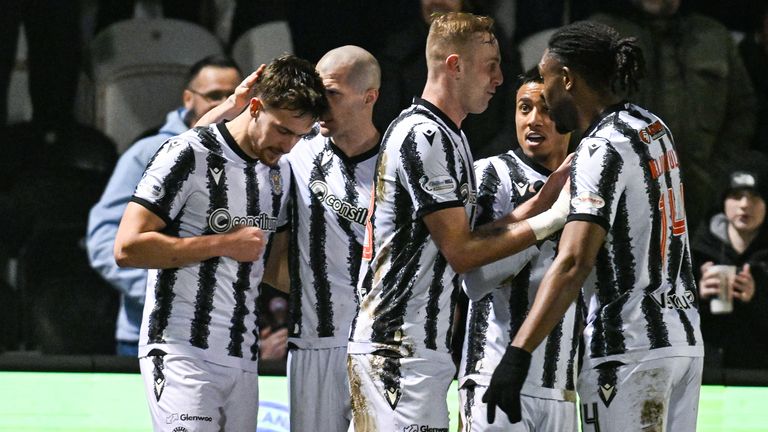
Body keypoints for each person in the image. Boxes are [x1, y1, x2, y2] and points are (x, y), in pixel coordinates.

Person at [346, 12, 572, 431]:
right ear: (455, 66)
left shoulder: (453, 137)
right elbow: (463, 252)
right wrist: (556, 218)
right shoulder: (422, 135)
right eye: (491, 66)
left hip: (420, 349)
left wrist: (542, 199)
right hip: (395, 348)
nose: (500, 79)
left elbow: (469, 236)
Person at [483, 21, 703, 431]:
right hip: (684, 341)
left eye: (546, 81)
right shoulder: (653, 127)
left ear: (566, 79)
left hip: (629, 348)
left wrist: (518, 353)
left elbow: (573, 262)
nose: (545, 95)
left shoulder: (600, 147)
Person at [113, 54, 327, 432]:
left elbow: (271, 266)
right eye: (282, 130)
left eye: (299, 135)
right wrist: (221, 244)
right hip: (181, 349)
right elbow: (127, 247)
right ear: (256, 107)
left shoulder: (279, 173)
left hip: (243, 354)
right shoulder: (188, 152)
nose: (290, 145)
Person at [86, 55, 242, 357]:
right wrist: (165, 293)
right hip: (148, 331)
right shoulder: (149, 152)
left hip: (224, 334)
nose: (225, 103)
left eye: (232, 95)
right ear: (188, 98)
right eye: (213, 95)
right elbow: (104, 240)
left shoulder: (248, 157)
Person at [459, 67, 581, 431]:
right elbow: (474, 282)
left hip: (563, 388)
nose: (533, 120)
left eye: (545, 109)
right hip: (490, 374)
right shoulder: (488, 176)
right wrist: (549, 220)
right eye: (524, 108)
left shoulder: (593, 178)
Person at [590, 0, 757, 231]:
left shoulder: (714, 36)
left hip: (699, 199)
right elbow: (571, 108)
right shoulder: (598, 34)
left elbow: (742, 110)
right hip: (618, 193)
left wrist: (717, 173)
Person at [282, 45, 381, 432]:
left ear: (369, 96)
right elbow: (212, 147)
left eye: (333, 94)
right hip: (313, 343)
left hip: (377, 347)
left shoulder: (397, 162)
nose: (320, 104)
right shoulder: (297, 153)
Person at [374, 0, 521, 160]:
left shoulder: (495, 44)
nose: (437, 1)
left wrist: (480, 169)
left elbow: (512, 123)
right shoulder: (399, 52)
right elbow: (384, 120)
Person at [691, 156, 768, 370]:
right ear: (723, 201)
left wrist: (756, 297)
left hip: (758, 378)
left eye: (755, 197)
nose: (744, 205)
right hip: (705, 374)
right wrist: (698, 294)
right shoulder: (696, 251)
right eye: (737, 196)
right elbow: (668, 319)